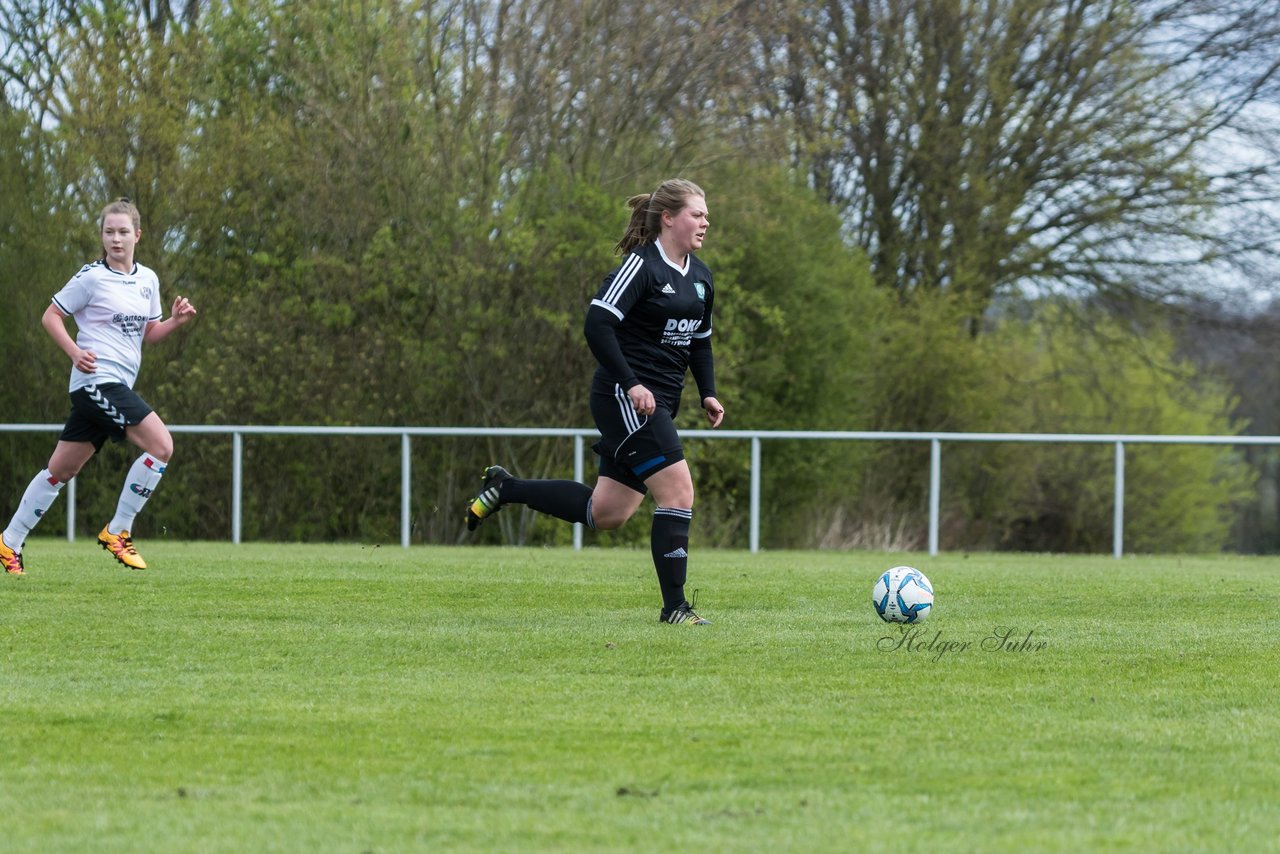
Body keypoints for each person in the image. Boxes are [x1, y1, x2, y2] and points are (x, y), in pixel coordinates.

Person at [465, 178, 724, 624]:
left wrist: (708, 392)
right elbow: (597, 325)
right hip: (624, 398)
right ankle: (676, 608)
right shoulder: (641, 266)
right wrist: (631, 383)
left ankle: (506, 488)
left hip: (658, 402)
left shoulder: (701, 277)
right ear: (668, 218)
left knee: (606, 513)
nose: (705, 221)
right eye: (696, 214)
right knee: (679, 490)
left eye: (705, 214)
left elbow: (700, 343)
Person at [1, 198, 198, 576]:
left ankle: (8, 542)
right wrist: (75, 352)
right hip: (96, 382)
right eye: (109, 232)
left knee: (60, 471)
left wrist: (174, 321)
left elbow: (149, 334)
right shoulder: (91, 276)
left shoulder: (148, 280)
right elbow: (51, 315)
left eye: (123, 232)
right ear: (102, 237)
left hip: (113, 386)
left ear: (137, 235)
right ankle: (119, 530)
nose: (116, 239)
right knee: (162, 445)